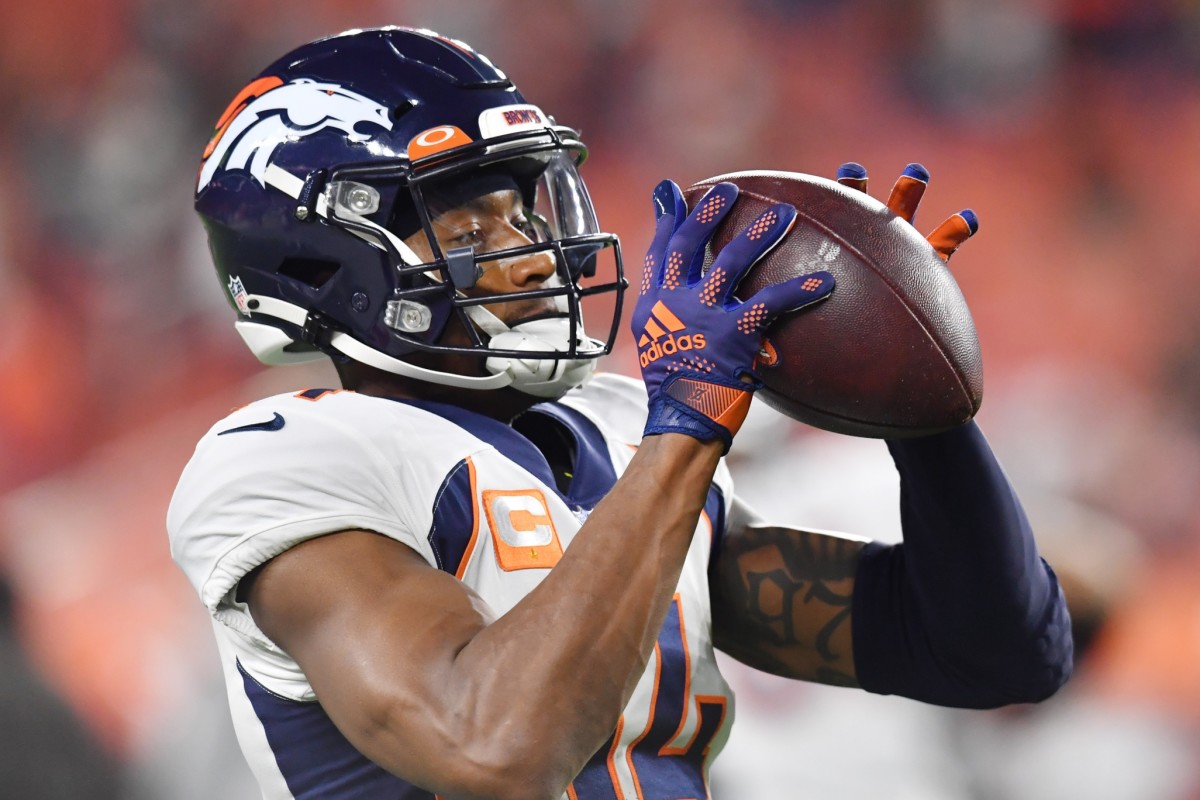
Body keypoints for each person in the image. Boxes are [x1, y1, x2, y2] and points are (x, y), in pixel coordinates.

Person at [168, 26, 1072, 800]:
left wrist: (915, 400)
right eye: (465, 226)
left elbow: (994, 650)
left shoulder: (608, 429)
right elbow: (491, 747)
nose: (527, 253)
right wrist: (687, 432)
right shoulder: (282, 461)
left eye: (521, 208)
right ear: (322, 263)